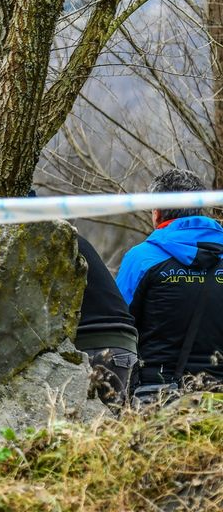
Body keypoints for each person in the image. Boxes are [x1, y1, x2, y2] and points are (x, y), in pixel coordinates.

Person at [115, 169, 223, 398]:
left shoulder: (141, 258)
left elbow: (118, 323)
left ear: (156, 213)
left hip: (157, 393)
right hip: (219, 396)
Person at [74, 234, 138, 408]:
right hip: (124, 344)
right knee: (115, 419)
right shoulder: (75, 239)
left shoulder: (49, 237)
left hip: (95, 343)